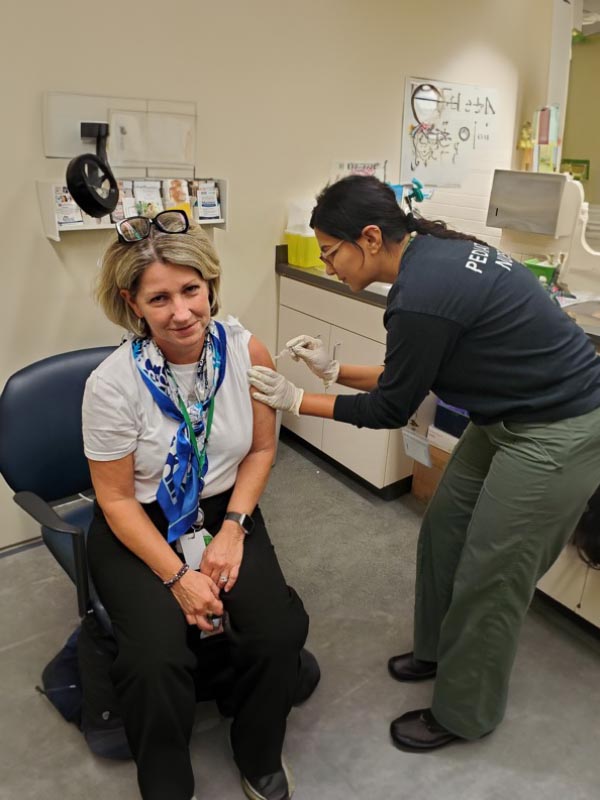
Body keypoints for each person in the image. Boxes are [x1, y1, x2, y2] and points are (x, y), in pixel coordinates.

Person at [248, 175, 600, 752]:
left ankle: (465, 713)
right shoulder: (431, 258)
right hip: (504, 415)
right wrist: (334, 374)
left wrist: (294, 400)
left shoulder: (420, 294)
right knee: (444, 533)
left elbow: (391, 407)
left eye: (332, 254)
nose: (330, 266)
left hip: (558, 429)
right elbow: (412, 371)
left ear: (368, 237)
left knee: (492, 576)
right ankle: (438, 651)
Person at [83, 210, 309, 800]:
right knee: (155, 660)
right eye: (159, 298)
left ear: (209, 285)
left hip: (224, 512)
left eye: (191, 290)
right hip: (140, 525)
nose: (181, 311)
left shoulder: (246, 351)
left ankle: (259, 753)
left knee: (276, 634)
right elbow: (112, 498)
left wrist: (235, 527)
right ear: (133, 304)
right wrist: (180, 576)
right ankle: (164, 781)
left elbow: (261, 450)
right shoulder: (112, 385)